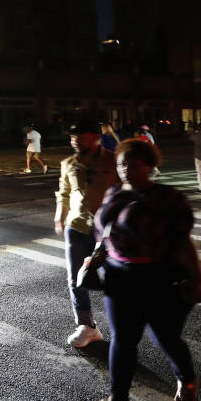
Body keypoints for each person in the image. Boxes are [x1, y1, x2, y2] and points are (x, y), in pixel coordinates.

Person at [89, 138, 201, 401]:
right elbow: (104, 232)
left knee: (165, 336)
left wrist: (197, 279)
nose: (125, 169)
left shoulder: (168, 198)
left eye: (133, 164)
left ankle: (187, 378)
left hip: (157, 276)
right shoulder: (114, 192)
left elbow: (183, 243)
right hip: (118, 276)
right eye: (121, 163)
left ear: (150, 167)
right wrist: (97, 255)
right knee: (123, 339)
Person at [54, 119, 119, 347]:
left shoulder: (113, 160)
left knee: (113, 278)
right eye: (73, 137)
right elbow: (64, 193)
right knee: (76, 278)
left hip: (107, 229)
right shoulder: (68, 163)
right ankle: (86, 326)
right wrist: (59, 217)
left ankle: (123, 325)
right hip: (77, 226)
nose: (75, 141)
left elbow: (125, 190)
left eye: (81, 136)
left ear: (96, 136)